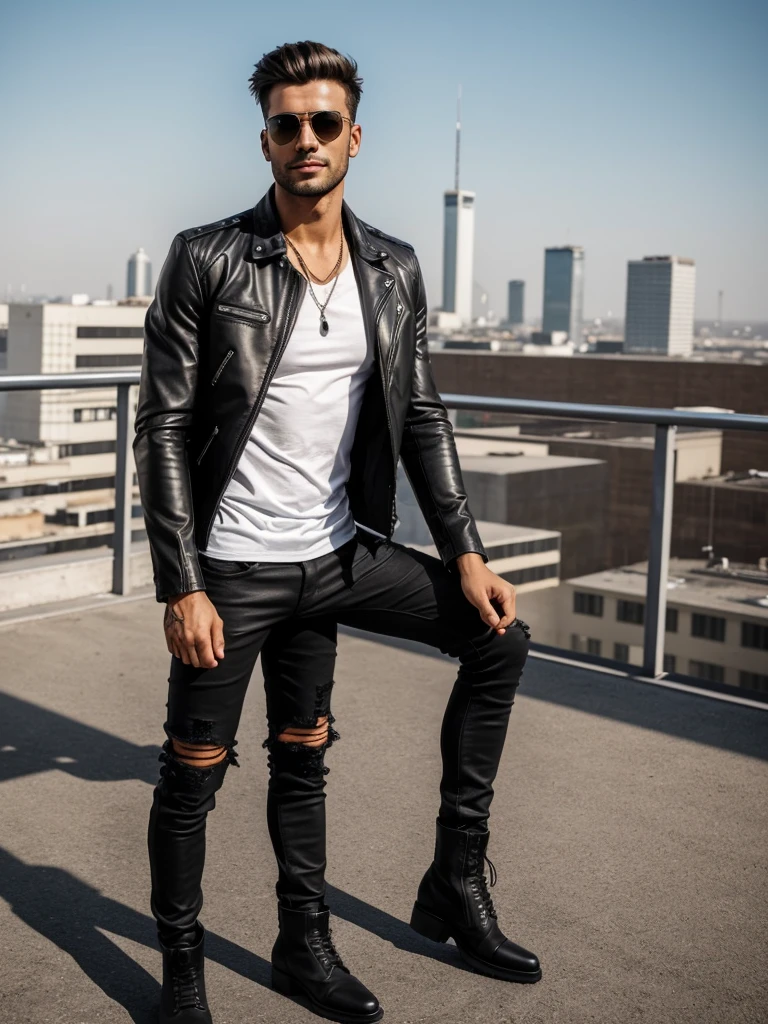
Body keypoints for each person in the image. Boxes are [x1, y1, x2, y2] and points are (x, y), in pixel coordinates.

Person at [134, 39, 541, 1024]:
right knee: (194, 773)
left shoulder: (394, 269)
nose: (305, 139)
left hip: (338, 553)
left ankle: (417, 895)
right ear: (265, 141)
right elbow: (165, 426)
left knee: (487, 645)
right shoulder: (209, 257)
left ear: (354, 137)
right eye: (286, 124)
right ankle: (183, 971)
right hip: (232, 567)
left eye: (324, 123)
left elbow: (425, 415)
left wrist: (467, 555)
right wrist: (180, 581)